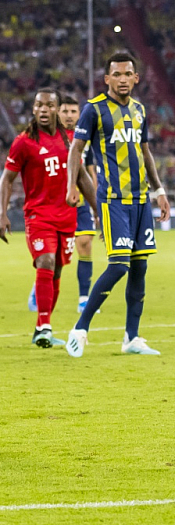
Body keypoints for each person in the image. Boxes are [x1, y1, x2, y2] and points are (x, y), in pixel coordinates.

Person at [66, 52, 171, 357]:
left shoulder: (139, 110)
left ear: (136, 78)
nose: (123, 79)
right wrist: (72, 183)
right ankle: (81, 328)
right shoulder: (94, 110)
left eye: (128, 74)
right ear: (107, 78)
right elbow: (76, 149)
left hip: (141, 202)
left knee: (140, 266)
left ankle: (132, 338)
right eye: (117, 74)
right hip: (113, 200)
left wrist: (158, 190)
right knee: (119, 265)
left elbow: (145, 152)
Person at [0, 88, 96, 347]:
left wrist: (98, 210)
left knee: (57, 270)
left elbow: (83, 177)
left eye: (49, 105)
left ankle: (43, 326)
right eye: (39, 105)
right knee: (47, 261)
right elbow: (7, 179)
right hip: (38, 216)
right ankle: (44, 325)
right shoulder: (24, 142)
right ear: (33, 109)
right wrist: (2, 213)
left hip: (67, 217)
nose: (43, 110)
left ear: (57, 109)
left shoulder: (71, 140)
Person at [27, 94, 100, 314]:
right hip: (56, 204)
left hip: (80, 202)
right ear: (57, 113)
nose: (69, 116)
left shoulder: (83, 137)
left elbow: (89, 169)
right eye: (65, 111)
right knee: (54, 256)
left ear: (79, 114)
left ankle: (84, 298)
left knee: (85, 243)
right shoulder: (51, 137)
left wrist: (95, 202)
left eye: (73, 111)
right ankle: (39, 284)